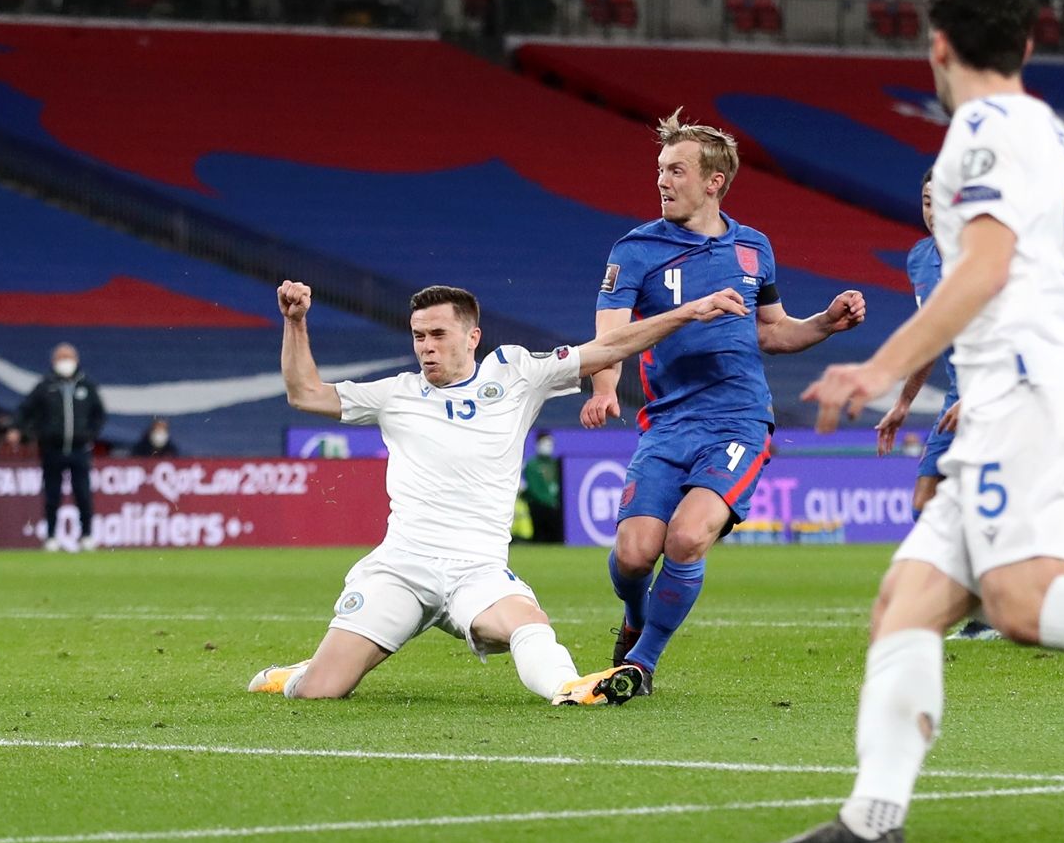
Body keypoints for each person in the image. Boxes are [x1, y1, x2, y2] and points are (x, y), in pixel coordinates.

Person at [780, 0, 1064, 843]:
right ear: (1028, 42)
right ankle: (872, 823)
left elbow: (987, 267)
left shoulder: (981, 128)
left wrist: (880, 369)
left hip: (1025, 387)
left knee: (1023, 606)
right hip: (1041, 384)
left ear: (939, 45)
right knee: (906, 602)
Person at [250, 280, 748, 704]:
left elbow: (609, 348)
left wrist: (687, 312)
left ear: (473, 337)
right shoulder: (396, 394)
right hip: (403, 568)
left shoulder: (514, 374)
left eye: (438, 334)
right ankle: (291, 675)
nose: (426, 346)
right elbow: (305, 393)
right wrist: (295, 322)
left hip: (477, 573)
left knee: (529, 623)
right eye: (419, 335)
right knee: (322, 691)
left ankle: (573, 688)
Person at [582, 112, 866, 701]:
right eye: (660, 169)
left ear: (714, 182)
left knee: (686, 539)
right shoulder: (635, 250)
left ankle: (641, 661)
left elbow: (771, 332)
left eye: (676, 170)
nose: (662, 180)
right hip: (667, 423)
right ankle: (636, 617)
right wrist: (604, 387)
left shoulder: (753, 246)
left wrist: (825, 325)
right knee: (634, 556)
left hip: (738, 421)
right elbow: (607, 335)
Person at [875, 170, 996, 644]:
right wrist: (904, 402)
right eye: (925, 200)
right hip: (955, 397)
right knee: (926, 502)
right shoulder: (920, 260)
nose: (932, 210)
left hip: (1002, 392)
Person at [17, 342, 106, 551]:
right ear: (53, 361)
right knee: (52, 495)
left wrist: (90, 435)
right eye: (61, 358)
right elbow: (25, 411)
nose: (65, 362)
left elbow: (99, 415)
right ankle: (50, 537)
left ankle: (87, 536)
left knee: (83, 494)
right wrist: (33, 432)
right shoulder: (45, 386)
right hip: (52, 449)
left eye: (68, 357)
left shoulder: (87, 386)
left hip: (79, 450)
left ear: (76, 360)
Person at [520, 430, 562, 544]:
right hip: (538, 506)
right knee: (539, 537)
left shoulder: (556, 464)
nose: (548, 446)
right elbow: (533, 488)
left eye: (550, 443)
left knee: (556, 538)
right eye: (545, 442)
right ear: (538, 444)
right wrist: (547, 501)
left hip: (555, 506)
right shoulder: (532, 464)